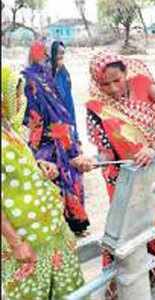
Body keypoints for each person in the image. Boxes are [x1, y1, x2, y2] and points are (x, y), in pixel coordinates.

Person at [86, 52, 155, 297]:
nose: (112, 88)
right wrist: (93, 161)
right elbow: (107, 153)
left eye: (116, 80)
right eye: (104, 84)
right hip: (123, 178)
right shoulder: (97, 107)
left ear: (125, 73)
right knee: (126, 228)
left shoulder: (143, 84)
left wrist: (154, 147)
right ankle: (124, 281)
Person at [1, 66, 85, 300]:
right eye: (16, 93)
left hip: (49, 229)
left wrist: (40, 168)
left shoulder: (9, 129)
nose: (21, 99)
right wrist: (16, 243)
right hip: (25, 237)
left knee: (65, 286)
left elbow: (13, 170)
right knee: (31, 291)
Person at [22, 41, 93, 237]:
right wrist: (35, 146)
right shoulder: (31, 81)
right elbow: (30, 115)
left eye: (63, 56)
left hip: (67, 136)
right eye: (56, 57)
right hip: (46, 140)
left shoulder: (63, 76)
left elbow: (68, 109)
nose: (60, 61)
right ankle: (58, 226)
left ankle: (76, 223)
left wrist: (74, 138)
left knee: (73, 174)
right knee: (54, 179)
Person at [49, 40, 79, 141]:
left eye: (63, 53)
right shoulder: (45, 73)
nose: (61, 56)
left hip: (66, 113)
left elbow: (68, 98)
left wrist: (74, 132)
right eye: (58, 52)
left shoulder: (64, 72)